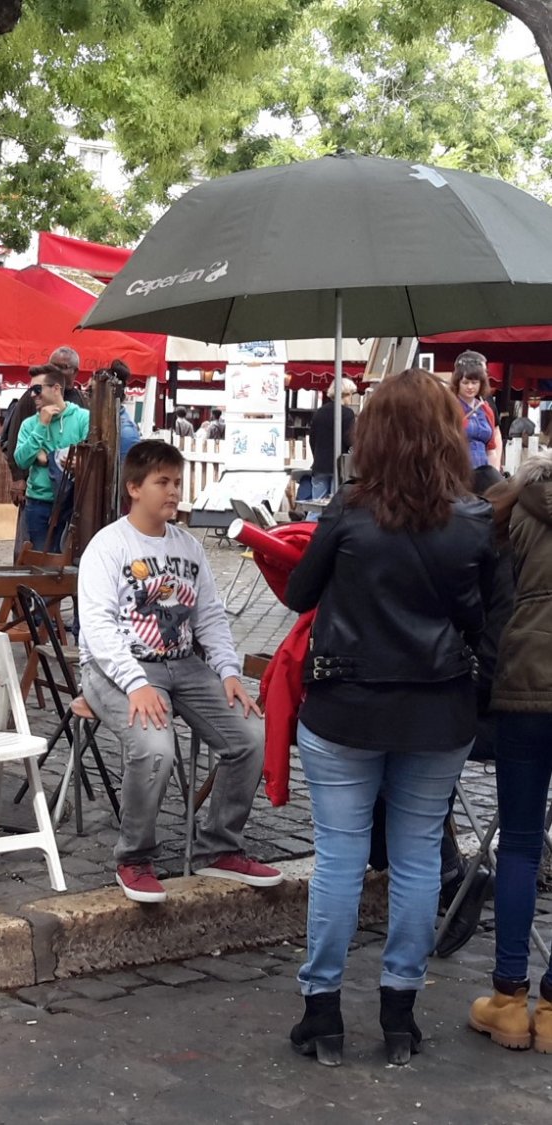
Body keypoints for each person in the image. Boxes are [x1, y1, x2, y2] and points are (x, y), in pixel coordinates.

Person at [282, 369, 497, 1067]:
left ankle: (323, 1011)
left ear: (372, 433)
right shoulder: (474, 521)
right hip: (436, 711)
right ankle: (400, 1012)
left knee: (340, 858)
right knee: (413, 860)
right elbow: (485, 621)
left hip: (344, 706)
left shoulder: (348, 509)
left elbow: (298, 592)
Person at [78, 439, 278, 906]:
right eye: (162, 482)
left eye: (176, 482)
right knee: (153, 747)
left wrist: (228, 672)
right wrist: (136, 683)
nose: (173, 492)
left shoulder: (188, 547)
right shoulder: (108, 547)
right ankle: (134, 857)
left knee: (250, 736)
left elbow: (209, 616)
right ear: (134, 488)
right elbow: (99, 628)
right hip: (117, 667)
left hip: (184, 664)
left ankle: (220, 846)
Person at [468, 450, 552, 1050]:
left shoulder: (518, 504)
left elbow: (483, 597)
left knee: (520, 844)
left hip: (526, 680)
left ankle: (509, 1001)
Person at [1, 349, 75, 556]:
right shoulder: (32, 397)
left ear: (75, 372)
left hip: (68, 494)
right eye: (54, 366)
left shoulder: (79, 402)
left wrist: (50, 457)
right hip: (36, 489)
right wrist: (18, 478)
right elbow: (14, 437)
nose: (57, 370)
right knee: (29, 547)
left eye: (63, 367)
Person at [14, 362, 89, 553]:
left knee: (68, 563)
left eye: (37, 389)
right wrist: (42, 424)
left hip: (73, 503)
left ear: (56, 389)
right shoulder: (30, 424)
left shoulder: (82, 418)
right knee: (40, 563)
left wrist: (75, 462)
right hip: (38, 503)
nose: (32, 395)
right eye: (31, 389)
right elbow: (21, 460)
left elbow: (90, 456)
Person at [306, 380, 356, 502]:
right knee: (336, 505)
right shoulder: (347, 414)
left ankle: (311, 521)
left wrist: (317, 456)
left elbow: (312, 439)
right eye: (351, 394)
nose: (351, 398)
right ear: (346, 394)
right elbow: (349, 439)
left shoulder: (319, 412)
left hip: (319, 465)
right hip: (338, 466)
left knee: (316, 505)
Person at [452, 351, 501, 473]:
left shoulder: (486, 409)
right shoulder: (449, 406)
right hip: (457, 470)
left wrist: (493, 476)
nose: (470, 387)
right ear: (458, 382)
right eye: (465, 382)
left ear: (481, 384)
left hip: (483, 471)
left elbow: (491, 450)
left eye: (474, 383)